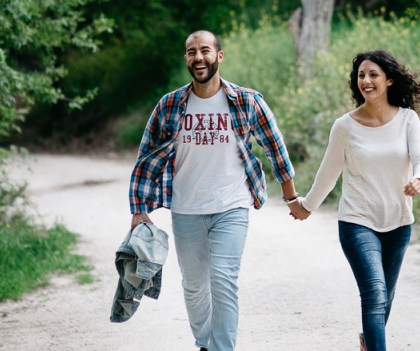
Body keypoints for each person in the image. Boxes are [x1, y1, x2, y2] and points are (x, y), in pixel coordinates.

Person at [128, 30, 307, 351]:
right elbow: (146, 157)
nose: (199, 57)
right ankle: (204, 344)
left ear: (219, 56)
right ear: (186, 58)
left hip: (232, 206)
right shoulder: (169, 105)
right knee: (195, 287)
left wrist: (291, 196)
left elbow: (275, 148)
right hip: (185, 208)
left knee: (223, 281)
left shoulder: (247, 101)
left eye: (205, 51)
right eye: (191, 52)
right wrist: (138, 211)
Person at [293, 49, 420, 351]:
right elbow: (328, 173)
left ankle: (369, 342)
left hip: (399, 222)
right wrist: (307, 206)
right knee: (374, 293)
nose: (365, 81)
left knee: (386, 297)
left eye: (373, 75)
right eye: (361, 76)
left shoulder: (408, 120)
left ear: (389, 80)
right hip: (357, 221)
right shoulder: (345, 126)